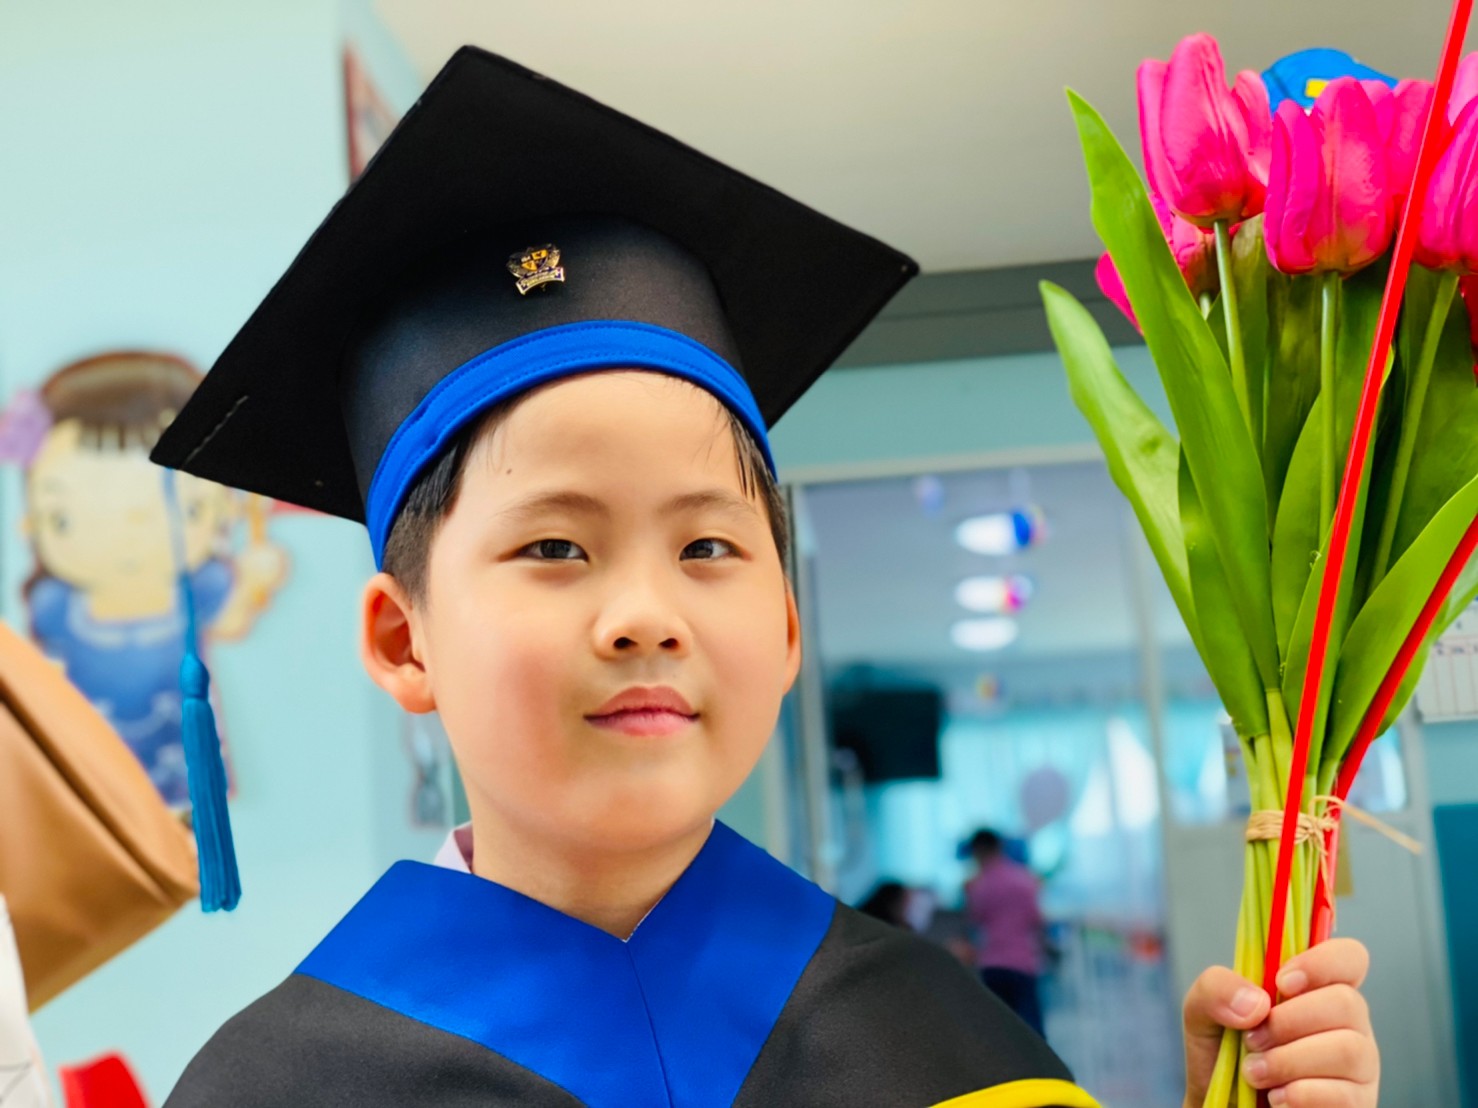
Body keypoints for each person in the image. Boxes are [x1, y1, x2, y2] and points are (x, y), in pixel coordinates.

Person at [155, 47, 1380, 1107]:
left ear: (787, 625)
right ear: (401, 639)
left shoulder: (949, 1045)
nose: (645, 616)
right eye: (554, 548)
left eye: (706, 548)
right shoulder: (278, 1082)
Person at [963, 829, 1049, 1039]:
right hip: (1023, 962)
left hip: (992, 963)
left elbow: (974, 920)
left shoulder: (978, 886)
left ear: (976, 851)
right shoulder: (1025, 879)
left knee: (1000, 1033)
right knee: (1031, 1031)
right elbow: (1036, 919)